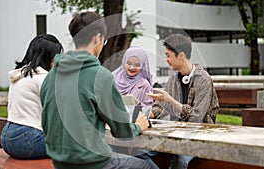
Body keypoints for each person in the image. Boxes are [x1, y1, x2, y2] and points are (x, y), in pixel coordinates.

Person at [40, 11, 152, 169]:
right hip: (91, 162)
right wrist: (139, 126)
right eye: (104, 41)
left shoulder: (51, 77)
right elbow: (122, 131)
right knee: (145, 166)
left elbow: (46, 124)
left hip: (59, 162)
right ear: (97, 38)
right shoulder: (100, 76)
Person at [148, 33, 219, 169]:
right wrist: (147, 114)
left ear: (181, 55)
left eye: (168, 55)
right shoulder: (173, 79)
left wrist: (171, 101)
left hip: (200, 136)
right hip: (176, 133)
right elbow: (161, 107)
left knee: (180, 160)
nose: (166, 59)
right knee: (142, 150)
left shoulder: (203, 79)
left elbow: (197, 117)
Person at [1, 34, 63, 159]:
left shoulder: (20, 74)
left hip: (7, 138)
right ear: (47, 58)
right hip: (29, 140)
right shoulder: (43, 78)